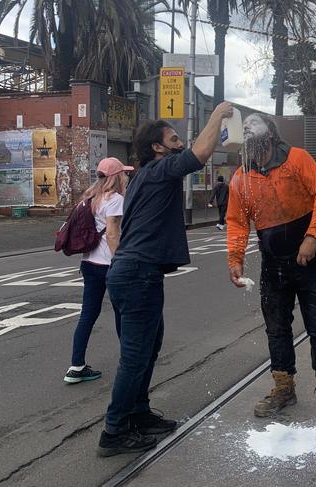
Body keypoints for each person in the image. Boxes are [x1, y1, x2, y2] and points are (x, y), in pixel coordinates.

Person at [97, 102, 234, 458]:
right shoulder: (160, 170)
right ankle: (114, 431)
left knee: (146, 350)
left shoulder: (147, 174)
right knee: (135, 355)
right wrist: (218, 112)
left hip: (136, 271)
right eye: (173, 139)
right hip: (138, 272)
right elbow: (200, 153)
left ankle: (138, 414)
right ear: (158, 147)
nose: (179, 143)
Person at [226, 113, 316, 427]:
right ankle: (284, 388)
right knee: (276, 328)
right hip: (273, 264)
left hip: (309, 259)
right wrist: (235, 259)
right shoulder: (242, 176)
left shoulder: (297, 159)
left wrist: (312, 236)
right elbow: (237, 221)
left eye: (254, 134)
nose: (249, 140)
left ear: (269, 136)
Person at [64, 158, 132, 384]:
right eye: (124, 174)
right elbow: (112, 234)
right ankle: (130, 361)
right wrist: (121, 261)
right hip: (108, 265)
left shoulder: (90, 198)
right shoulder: (115, 199)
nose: (127, 177)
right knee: (122, 314)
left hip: (89, 263)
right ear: (116, 177)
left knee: (87, 315)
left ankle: (76, 365)